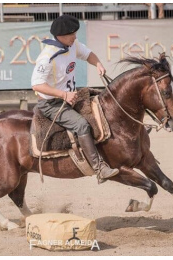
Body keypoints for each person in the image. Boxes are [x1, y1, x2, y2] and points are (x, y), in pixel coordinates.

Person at [31, 14, 119, 184]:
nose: (75, 36)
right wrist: (64, 95)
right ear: (61, 36)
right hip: (52, 104)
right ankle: (99, 168)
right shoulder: (47, 57)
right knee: (81, 125)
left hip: (71, 97)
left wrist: (98, 64)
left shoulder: (72, 44)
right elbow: (36, 85)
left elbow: (87, 54)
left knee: (101, 105)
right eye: (72, 34)